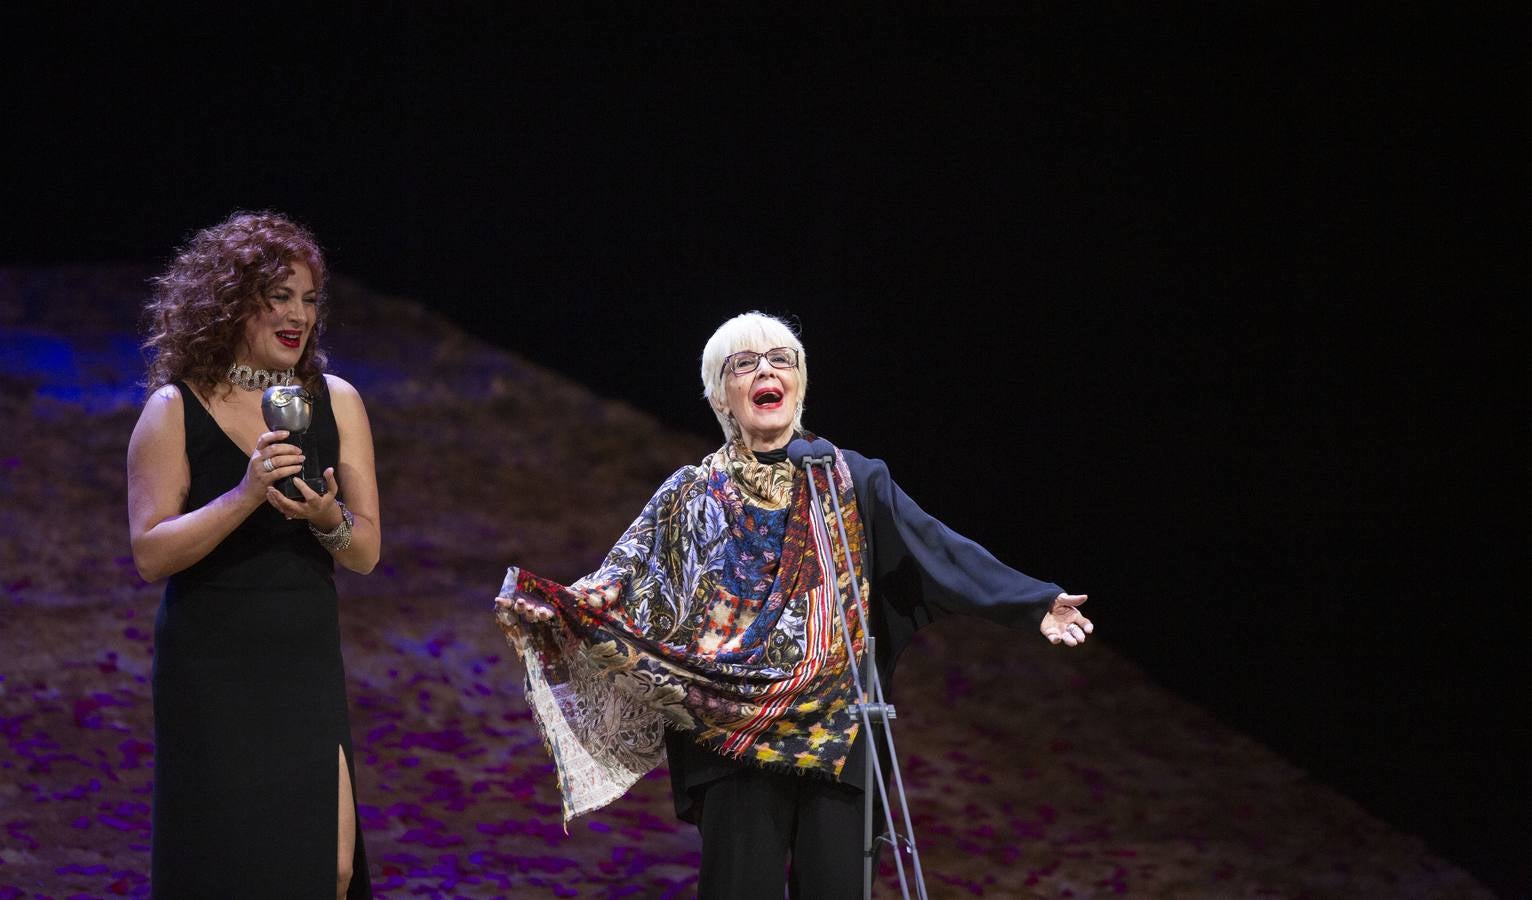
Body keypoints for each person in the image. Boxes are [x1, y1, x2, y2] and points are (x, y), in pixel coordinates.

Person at [495, 311, 1091, 899]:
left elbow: (936, 547)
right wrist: (563, 608)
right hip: (730, 729)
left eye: (781, 360)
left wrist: (1032, 603)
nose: (765, 371)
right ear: (720, 395)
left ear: (798, 383)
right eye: (745, 363)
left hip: (838, 730)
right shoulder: (690, 496)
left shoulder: (848, 480)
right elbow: (622, 576)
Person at [127, 211, 380, 899]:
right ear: (233, 303)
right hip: (212, 667)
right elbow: (150, 554)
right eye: (279, 298)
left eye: (308, 298)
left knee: (330, 866)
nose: (298, 315)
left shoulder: (338, 401)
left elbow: (364, 552)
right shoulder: (175, 409)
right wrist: (244, 495)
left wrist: (329, 518)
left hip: (303, 656)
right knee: (230, 866)